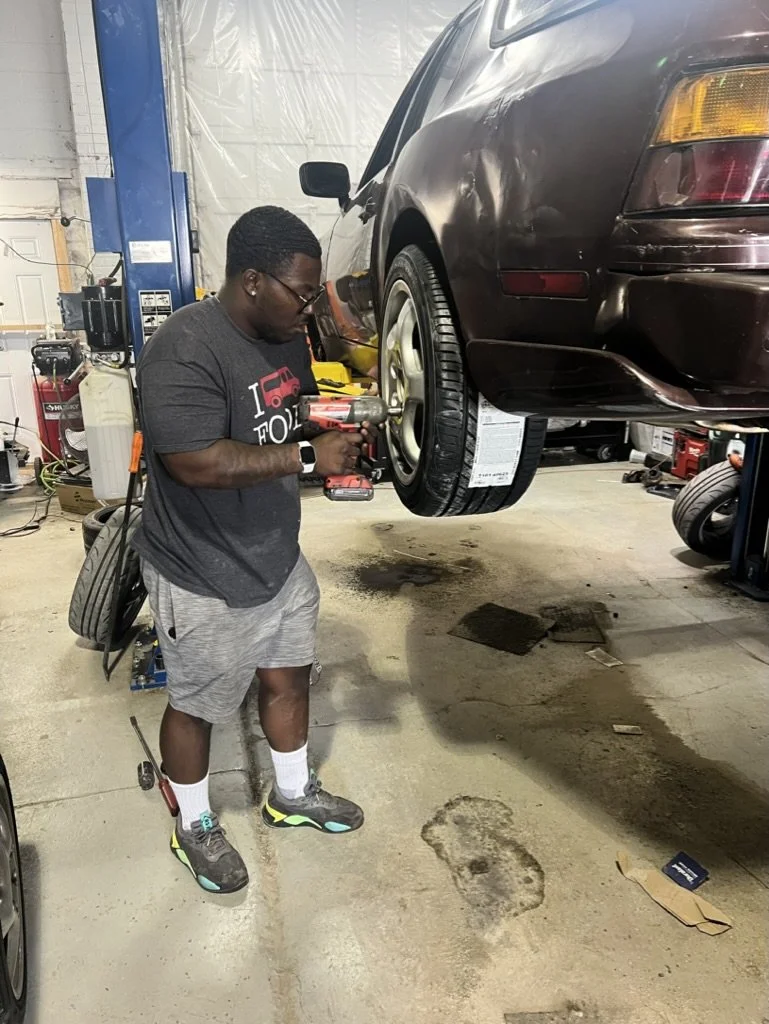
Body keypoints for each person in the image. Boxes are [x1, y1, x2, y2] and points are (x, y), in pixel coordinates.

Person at [132, 206, 366, 895]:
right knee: (197, 704)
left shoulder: (286, 335)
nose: (309, 309)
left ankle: (290, 793)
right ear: (254, 280)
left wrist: (338, 427)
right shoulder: (184, 347)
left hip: (277, 555)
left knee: (288, 677)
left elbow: (290, 414)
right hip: (201, 569)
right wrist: (307, 457)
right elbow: (195, 463)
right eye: (302, 293)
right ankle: (195, 824)